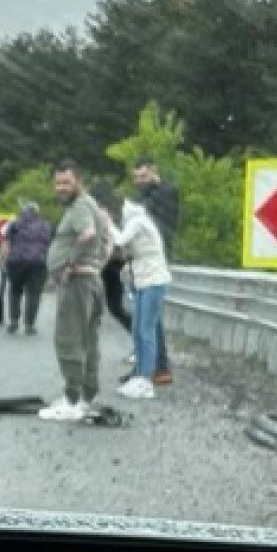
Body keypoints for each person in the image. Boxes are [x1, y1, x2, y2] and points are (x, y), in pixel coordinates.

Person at [38, 161, 110, 422]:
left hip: (79, 282)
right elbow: (106, 238)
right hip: (91, 279)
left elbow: (89, 234)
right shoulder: (90, 204)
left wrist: (69, 263)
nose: (61, 188)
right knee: (89, 341)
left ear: (78, 180)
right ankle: (86, 397)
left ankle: (72, 400)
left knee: (69, 340)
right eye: (57, 183)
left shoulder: (80, 206)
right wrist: (98, 264)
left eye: (66, 182)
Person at [109, 196, 172, 400]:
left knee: (146, 329)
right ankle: (138, 375)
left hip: (154, 279)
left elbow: (119, 240)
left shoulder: (138, 221)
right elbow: (135, 252)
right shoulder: (136, 222)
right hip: (143, 279)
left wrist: (105, 222)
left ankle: (145, 380)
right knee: (137, 328)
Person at [132, 158, 179, 385]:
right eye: (137, 177)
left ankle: (155, 368)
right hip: (143, 261)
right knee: (146, 318)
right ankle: (146, 366)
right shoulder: (145, 197)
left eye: (144, 176)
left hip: (156, 262)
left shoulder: (165, 192)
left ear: (154, 172)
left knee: (149, 320)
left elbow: (148, 218)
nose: (140, 181)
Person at [1, 201, 51, 335]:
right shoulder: (45, 225)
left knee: (15, 291)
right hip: (37, 263)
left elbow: (5, 243)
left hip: (15, 261)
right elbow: (49, 244)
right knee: (33, 294)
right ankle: (29, 325)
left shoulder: (14, 224)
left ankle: (13, 321)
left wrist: (4, 259)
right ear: (37, 212)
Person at [92, 181, 131, 334]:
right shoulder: (110, 216)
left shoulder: (101, 216)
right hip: (112, 263)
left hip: (110, 265)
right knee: (115, 307)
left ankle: (138, 337)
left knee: (115, 307)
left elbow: (111, 241)